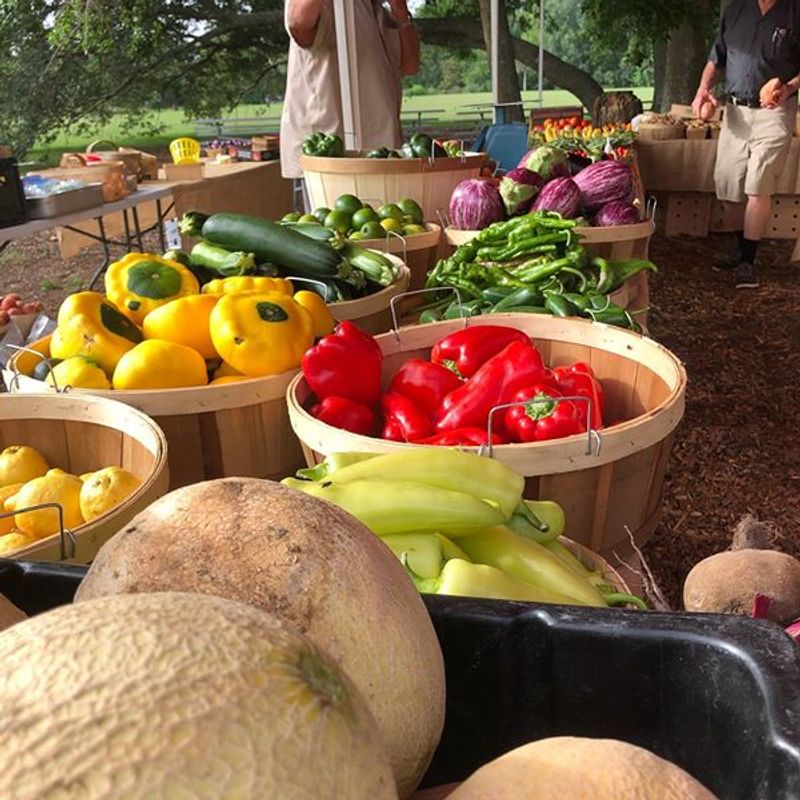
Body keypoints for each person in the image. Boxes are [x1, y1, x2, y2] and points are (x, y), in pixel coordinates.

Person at [692, 0, 800, 289]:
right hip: (736, 112)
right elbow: (717, 58)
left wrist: (788, 88)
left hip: (775, 112)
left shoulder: (794, 10)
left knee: (758, 182)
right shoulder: (736, 10)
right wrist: (703, 90)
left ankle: (748, 263)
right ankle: (743, 251)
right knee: (727, 184)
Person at [280, 0, 420, 190]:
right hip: (329, 156)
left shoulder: (379, 11)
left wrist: (400, 9)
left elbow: (410, 64)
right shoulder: (333, 6)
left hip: (381, 154)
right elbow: (299, 22)